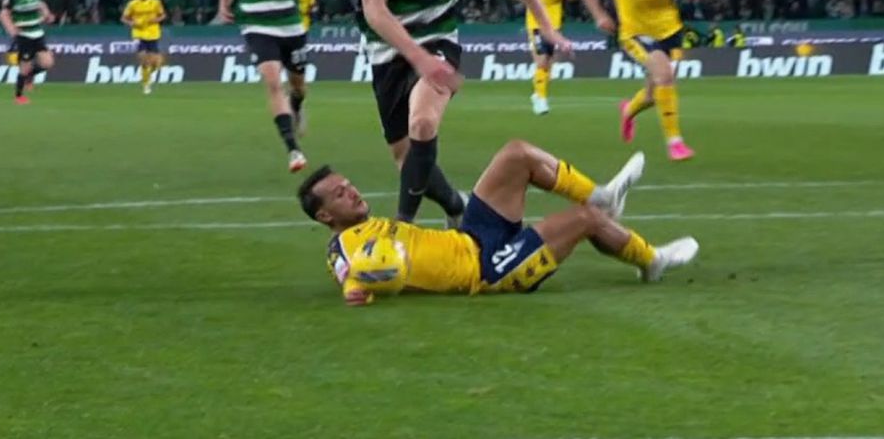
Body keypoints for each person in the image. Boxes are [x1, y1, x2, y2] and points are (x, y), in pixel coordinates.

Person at [359, 0, 573, 226]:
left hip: (438, 36)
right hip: (387, 45)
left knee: (423, 122)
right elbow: (374, 9)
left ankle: (402, 227)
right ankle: (456, 205)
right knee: (405, 158)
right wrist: (418, 58)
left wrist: (547, 28)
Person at [298, 140, 698, 306]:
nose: (352, 192)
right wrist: (355, 290)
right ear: (325, 216)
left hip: (471, 237)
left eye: (348, 185)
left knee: (516, 154)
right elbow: (348, 272)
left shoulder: (367, 226)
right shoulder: (344, 246)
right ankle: (651, 261)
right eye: (340, 194)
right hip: (486, 269)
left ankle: (604, 196)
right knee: (584, 220)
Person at [580, 0, 701, 161]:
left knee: (653, 93)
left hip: (670, 30)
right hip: (635, 33)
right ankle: (675, 143)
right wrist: (599, 15)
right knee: (664, 76)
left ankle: (628, 110)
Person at [216, 0, 323, 173]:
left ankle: (297, 105)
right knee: (273, 82)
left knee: (297, 85)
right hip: (256, 26)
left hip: (290, 25)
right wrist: (223, 6)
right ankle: (293, 150)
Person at [524, 0, 577, 115]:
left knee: (549, 67)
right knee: (542, 60)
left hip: (554, 29)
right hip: (536, 27)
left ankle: (538, 93)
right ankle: (541, 99)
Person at [0, 0, 56, 105]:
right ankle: (18, 96)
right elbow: (3, 14)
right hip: (24, 35)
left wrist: (47, 14)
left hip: (38, 33)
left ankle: (30, 76)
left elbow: (40, 4)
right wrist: (11, 29)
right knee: (24, 67)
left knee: (47, 63)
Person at [121, 0, 167, 95]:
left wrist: (155, 20)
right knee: (143, 59)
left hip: (153, 34)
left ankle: (147, 75)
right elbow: (123, 18)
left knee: (156, 63)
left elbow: (163, 15)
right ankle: (146, 84)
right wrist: (132, 23)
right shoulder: (132, 4)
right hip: (138, 34)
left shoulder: (155, 2)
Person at [295, 0, 318, 135]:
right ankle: (295, 103)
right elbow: (313, 10)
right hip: (294, 30)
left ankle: (297, 103)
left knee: (297, 70)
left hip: (301, 31)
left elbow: (313, 9)